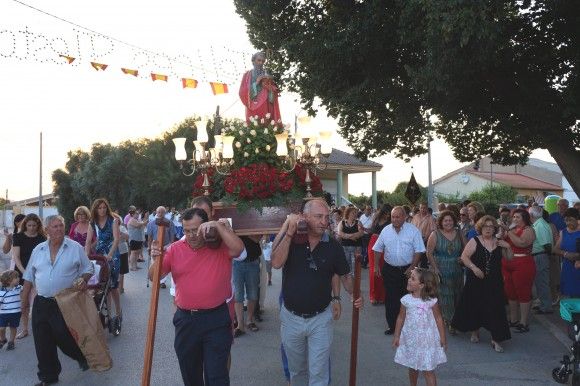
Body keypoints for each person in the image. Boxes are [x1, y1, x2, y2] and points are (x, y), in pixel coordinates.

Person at [271, 198, 363, 386]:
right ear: (304, 217)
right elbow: (276, 263)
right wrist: (289, 233)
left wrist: (354, 294)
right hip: (291, 318)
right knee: (297, 371)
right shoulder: (292, 239)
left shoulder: (333, 245)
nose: (324, 221)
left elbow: (344, 276)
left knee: (318, 373)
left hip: (321, 319)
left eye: (326, 217)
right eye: (318, 216)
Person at [149, 207, 244, 386]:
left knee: (217, 376)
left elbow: (239, 249)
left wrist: (218, 226)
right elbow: (154, 277)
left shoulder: (220, 247)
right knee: (190, 374)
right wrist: (157, 259)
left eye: (195, 229)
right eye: (186, 230)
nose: (191, 235)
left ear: (205, 226)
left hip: (216, 319)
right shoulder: (175, 249)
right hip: (186, 321)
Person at [22, 215, 93, 386]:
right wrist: (23, 303)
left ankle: (82, 356)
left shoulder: (75, 248)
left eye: (61, 226)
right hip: (42, 302)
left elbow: (88, 268)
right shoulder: (38, 250)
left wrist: (84, 279)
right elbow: (29, 278)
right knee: (42, 341)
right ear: (46, 230)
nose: (59, 229)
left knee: (64, 336)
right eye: (55, 226)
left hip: (65, 302)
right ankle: (48, 377)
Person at [452, 215, 511, 352]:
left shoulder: (498, 242)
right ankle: (475, 331)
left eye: (491, 226)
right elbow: (464, 257)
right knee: (475, 305)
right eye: (485, 226)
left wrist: (508, 247)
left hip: (494, 280)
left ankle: (496, 339)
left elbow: (509, 258)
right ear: (480, 228)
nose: (488, 229)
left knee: (495, 308)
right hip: (476, 278)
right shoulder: (474, 241)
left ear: (495, 228)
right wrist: (474, 268)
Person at [373, 206, 425, 335]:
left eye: (398, 217)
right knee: (391, 299)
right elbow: (378, 248)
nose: (395, 219)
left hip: (408, 271)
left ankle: (408, 327)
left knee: (408, 298)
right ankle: (392, 326)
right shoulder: (386, 230)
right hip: (389, 269)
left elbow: (419, 250)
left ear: (405, 217)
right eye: (393, 217)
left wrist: (412, 267)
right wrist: (375, 266)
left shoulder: (413, 231)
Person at [393, 268, 446, 386]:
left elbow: (438, 318)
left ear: (421, 285)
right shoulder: (406, 300)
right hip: (411, 339)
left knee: (428, 370)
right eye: (410, 277)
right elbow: (400, 318)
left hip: (427, 341)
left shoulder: (432, 301)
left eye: (413, 279)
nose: (409, 280)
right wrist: (397, 336)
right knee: (412, 367)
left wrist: (442, 338)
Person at [85, 198, 122, 330]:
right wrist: (86, 257)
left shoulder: (113, 220)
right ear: (95, 209)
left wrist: (110, 255)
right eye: (99, 208)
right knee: (100, 285)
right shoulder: (92, 223)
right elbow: (88, 242)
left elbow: (116, 239)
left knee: (112, 286)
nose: (102, 210)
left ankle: (118, 312)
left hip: (112, 254)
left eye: (104, 207)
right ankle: (107, 314)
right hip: (100, 255)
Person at [425, 210, 464, 334]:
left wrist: (462, 257)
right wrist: (435, 268)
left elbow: (468, 248)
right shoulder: (435, 234)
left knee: (457, 295)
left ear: (454, 221)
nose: (448, 223)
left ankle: (456, 319)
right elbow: (429, 253)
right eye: (445, 220)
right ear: (441, 222)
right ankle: (450, 321)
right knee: (445, 296)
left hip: (456, 269)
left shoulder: (459, 233)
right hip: (441, 269)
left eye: (450, 220)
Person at [501, 208, 536, 333]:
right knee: (510, 292)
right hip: (507, 264)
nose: (514, 219)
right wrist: (503, 229)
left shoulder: (529, 230)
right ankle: (514, 319)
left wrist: (508, 230)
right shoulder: (511, 229)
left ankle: (523, 322)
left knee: (523, 292)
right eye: (513, 217)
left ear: (524, 219)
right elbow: (500, 239)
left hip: (523, 264)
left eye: (517, 217)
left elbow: (521, 243)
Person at [12, 213, 46, 339]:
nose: (31, 228)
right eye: (29, 225)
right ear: (25, 225)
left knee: (39, 302)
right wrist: (24, 271)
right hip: (22, 273)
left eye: (34, 225)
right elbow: (16, 256)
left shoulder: (42, 238)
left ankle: (41, 329)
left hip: (38, 273)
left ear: (38, 226)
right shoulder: (18, 236)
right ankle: (25, 329)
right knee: (24, 303)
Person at [239, 51, 281, 122]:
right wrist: (256, 82)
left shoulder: (267, 75)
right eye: (259, 60)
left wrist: (269, 85)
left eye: (263, 61)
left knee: (265, 122)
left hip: (265, 103)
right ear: (253, 61)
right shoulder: (247, 75)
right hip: (252, 104)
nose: (261, 63)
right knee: (253, 126)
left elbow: (273, 91)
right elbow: (242, 91)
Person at [233, 236, 262, 337]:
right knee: (238, 295)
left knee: (253, 295)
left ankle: (249, 320)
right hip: (236, 262)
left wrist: (242, 230)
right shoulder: (233, 221)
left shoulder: (253, 221)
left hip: (252, 261)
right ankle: (240, 325)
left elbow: (257, 238)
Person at [529, 206, 554, 314]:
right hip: (540, 255)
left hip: (540, 255)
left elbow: (547, 244)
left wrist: (547, 255)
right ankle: (544, 304)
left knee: (542, 282)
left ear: (532, 215)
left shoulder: (540, 225)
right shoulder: (539, 224)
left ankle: (546, 306)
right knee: (540, 282)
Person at [147, 206, 176, 289]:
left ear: (165, 213)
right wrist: (149, 247)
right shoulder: (151, 223)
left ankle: (162, 281)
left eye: (162, 212)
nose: (160, 214)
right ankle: (155, 278)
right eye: (159, 212)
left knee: (164, 263)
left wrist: (171, 244)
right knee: (155, 262)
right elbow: (149, 236)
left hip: (166, 245)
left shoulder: (170, 223)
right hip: (155, 246)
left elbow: (172, 235)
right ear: (156, 212)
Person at [368, 204, 392, 305]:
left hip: (384, 244)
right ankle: (373, 296)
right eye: (386, 213)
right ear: (382, 212)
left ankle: (382, 295)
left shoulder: (390, 222)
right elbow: (371, 231)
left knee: (383, 270)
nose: (387, 215)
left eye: (389, 213)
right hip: (373, 242)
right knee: (374, 270)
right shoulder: (376, 219)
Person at [553, 208, 580, 297]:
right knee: (569, 296)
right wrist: (566, 254)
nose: (568, 223)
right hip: (568, 267)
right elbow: (555, 249)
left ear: (577, 219)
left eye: (570, 220)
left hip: (578, 267)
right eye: (566, 220)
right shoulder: (563, 232)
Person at [337, 206, 364, 274]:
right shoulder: (342, 223)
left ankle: (355, 281)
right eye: (353, 213)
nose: (355, 214)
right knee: (347, 264)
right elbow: (340, 233)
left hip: (356, 247)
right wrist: (351, 236)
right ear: (348, 213)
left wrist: (347, 236)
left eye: (356, 213)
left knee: (355, 265)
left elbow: (361, 233)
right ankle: (349, 280)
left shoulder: (358, 222)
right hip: (345, 247)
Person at [0, 269, 22, 351]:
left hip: (15, 313)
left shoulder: (18, 288)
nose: (18, 278)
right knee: (1, 328)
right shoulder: (2, 292)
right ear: (9, 281)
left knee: (13, 327)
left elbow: (28, 288)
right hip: (3, 313)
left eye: (18, 277)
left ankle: (11, 342)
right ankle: (3, 339)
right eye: (16, 277)